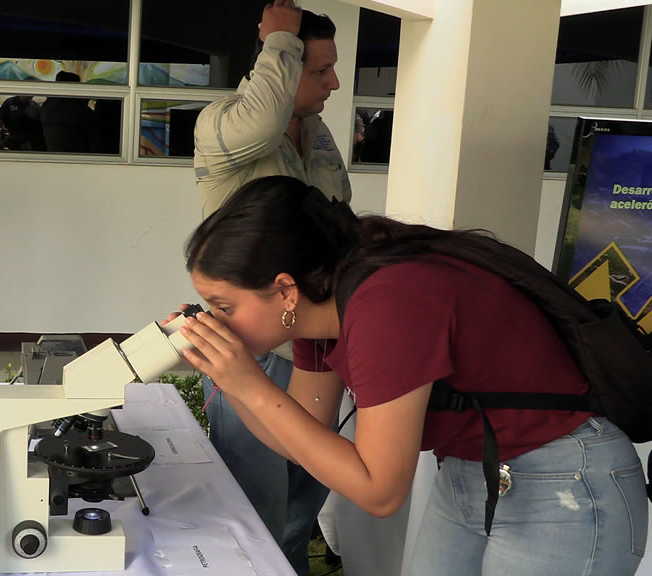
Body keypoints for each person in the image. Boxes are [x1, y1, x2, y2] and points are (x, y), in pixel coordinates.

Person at [176, 175, 648, 576]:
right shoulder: (318, 312)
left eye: (224, 307)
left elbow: (379, 490)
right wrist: (232, 381)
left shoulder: (387, 303)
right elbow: (304, 439)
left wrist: (250, 386)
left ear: (284, 290)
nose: (217, 321)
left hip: (563, 484)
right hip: (475, 475)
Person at [191, 2, 349, 572]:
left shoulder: (317, 135)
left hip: (319, 346)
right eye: (319, 70)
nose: (334, 82)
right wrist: (279, 38)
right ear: (277, 66)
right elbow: (260, 121)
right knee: (251, 514)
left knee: (303, 502)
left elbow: (340, 225)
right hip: (255, 349)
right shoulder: (221, 124)